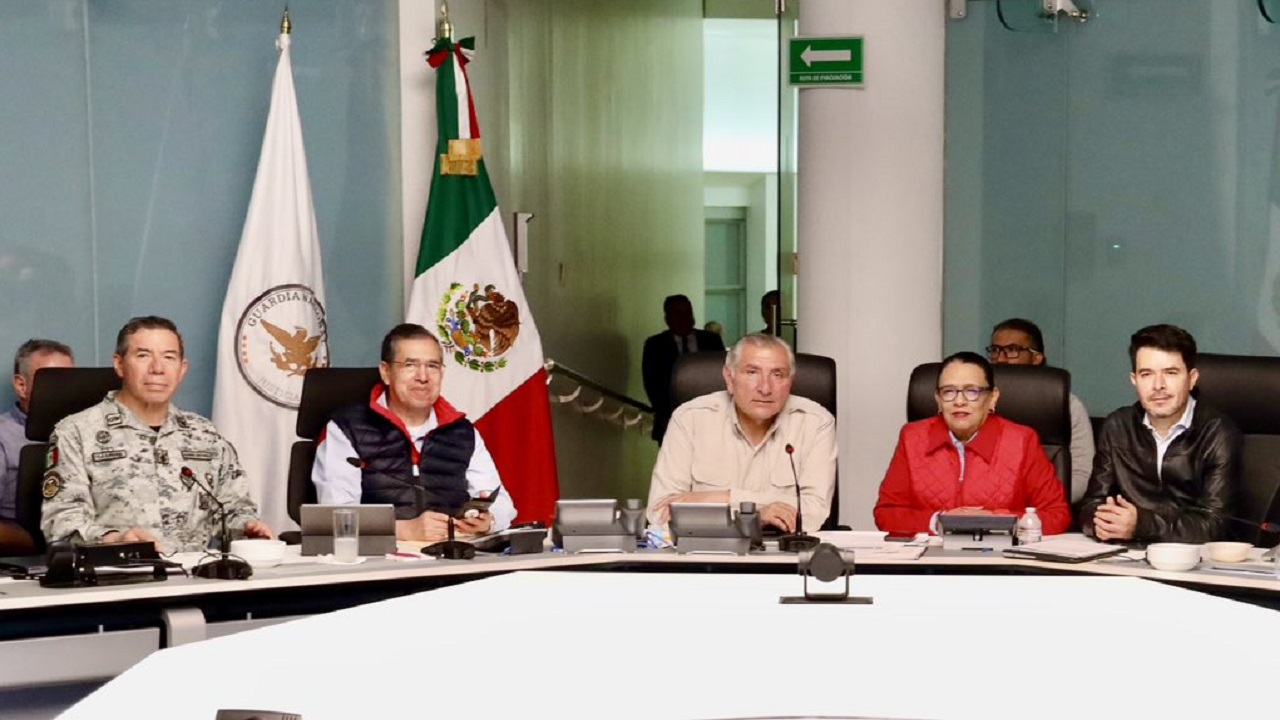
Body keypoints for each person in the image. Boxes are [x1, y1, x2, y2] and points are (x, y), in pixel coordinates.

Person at [40, 316, 272, 551]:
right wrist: (115, 540)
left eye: (169, 358)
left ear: (182, 369)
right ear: (119, 365)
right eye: (143, 356)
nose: (158, 369)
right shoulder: (76, 432)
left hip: (196, 577)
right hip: (117, 576)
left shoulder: (204, 434)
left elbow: (233, 508)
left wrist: (247, 527)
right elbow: (61, 522)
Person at [312, 323, 516, 542]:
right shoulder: (346, 429)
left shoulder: (463, 431)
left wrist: (488, 521)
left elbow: (503, 504)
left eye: (433, 366)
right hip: (379, 562)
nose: (423, 377)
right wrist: (404, 530)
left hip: (453, 557)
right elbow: (335, 516)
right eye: (410, 365)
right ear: (386, 372)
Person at [647, 333, 836, 533]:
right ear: (730, 378)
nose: (765, 388)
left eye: (777, 374)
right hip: (706, 554)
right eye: (752, 372)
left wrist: (721, 499)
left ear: (791, 382)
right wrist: (757, 514)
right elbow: (660, 514)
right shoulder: (690, 419)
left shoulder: (816, 422)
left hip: (784, 555)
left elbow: (813, 513)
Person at [874, 351, 1071, 537]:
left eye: (972, 391)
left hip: (1001, 564)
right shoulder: (912, 438)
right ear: (938, 400)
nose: (959, 401)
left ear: (992, 398)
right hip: (929, 565)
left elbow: (1057, 515)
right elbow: (886, 513)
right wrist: (940, 521)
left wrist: (992, 521)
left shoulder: (1021, 441)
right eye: (949, 392)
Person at [1079, 324, 1240, 544]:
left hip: (1192, 565)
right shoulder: (1118, 426)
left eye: (1171, 373)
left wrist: (1141, 525)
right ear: (1134, 380)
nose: (1158, 385)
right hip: (1124, 557)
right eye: (1147, 374)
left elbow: (1214, 524)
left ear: (1191, 379)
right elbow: (1091, 505)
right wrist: (1104, 523)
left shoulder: (1217, 431)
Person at [987, 318, 1095, 504]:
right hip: (984, 509)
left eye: (1012, 350)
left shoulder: (1066, 404)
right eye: (995, 350)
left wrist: (1040, 504)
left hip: (1045, 511)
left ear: (1036, 358)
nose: (1000, 358)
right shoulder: (975, 401)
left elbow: (1081, 475)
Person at [0, 339, 74, 521]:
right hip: (21, 539)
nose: (64, 390)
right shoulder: (3, 435)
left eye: (69, 380)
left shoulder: (88, 433)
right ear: (21, 385)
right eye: (53, 380)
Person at [641, 294, 726, 443]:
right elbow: (652, 383)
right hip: (672, 420)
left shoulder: (710, 340)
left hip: (710, 418)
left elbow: (722, 375)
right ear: (667, 318)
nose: (684, 317)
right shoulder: (656, 345)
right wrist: (664, 415)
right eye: (677, 313)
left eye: (687, 312)